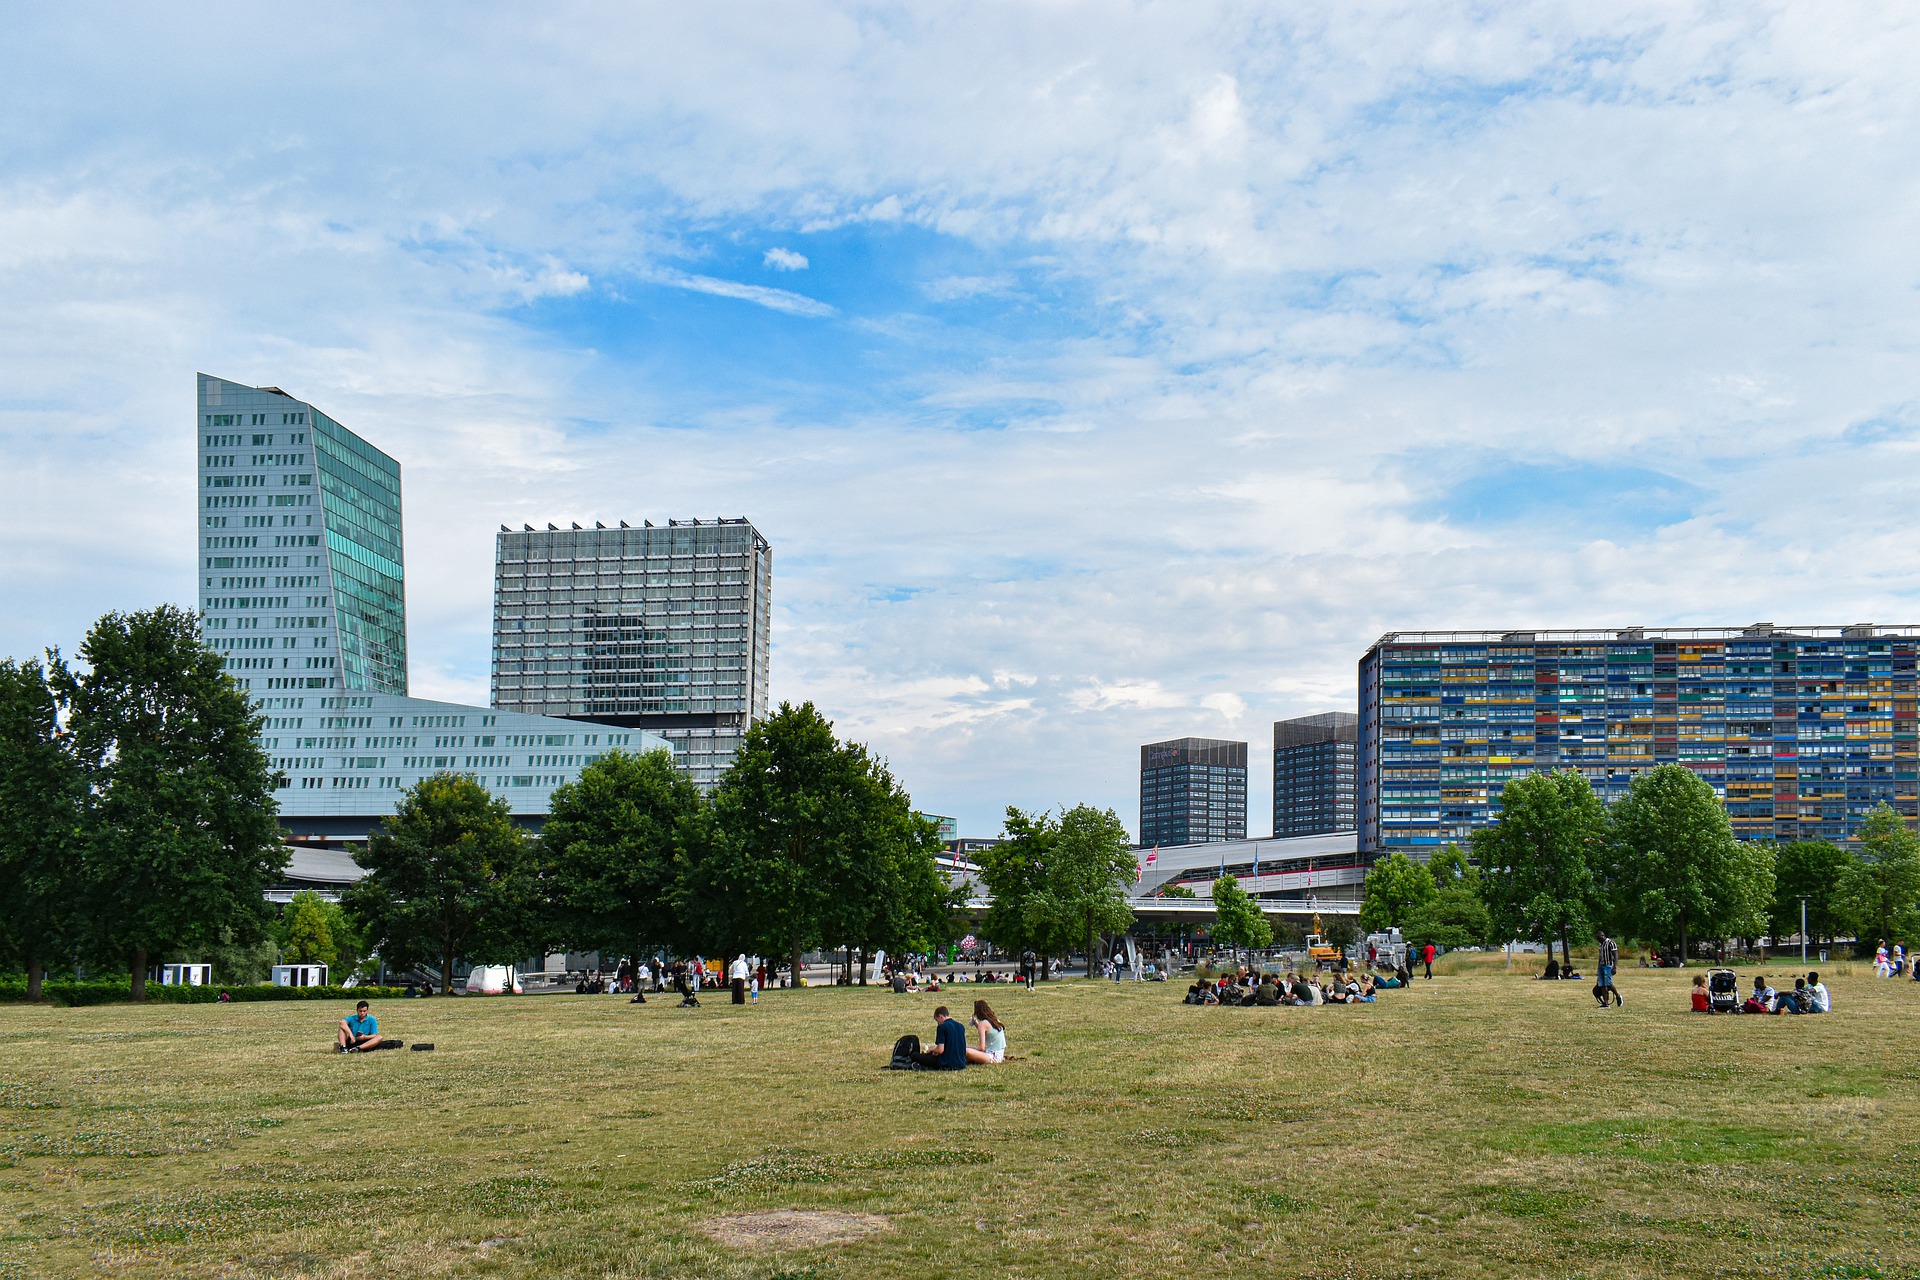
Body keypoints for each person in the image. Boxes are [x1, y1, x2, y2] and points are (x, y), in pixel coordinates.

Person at [1596, 930, 1622, 1007]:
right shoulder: (1600, 945)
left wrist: (1614, 967)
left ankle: (1618, 996)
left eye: (1599, 938)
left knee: (1608, 983)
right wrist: (1598, 967)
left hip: (1608, 965)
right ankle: (1606, 1003)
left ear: (1602, 936)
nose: (1598, 940)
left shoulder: (1611, 943)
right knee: (1602, 984)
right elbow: (1600, 957)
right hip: (1602, 965)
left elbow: (1615, 955)